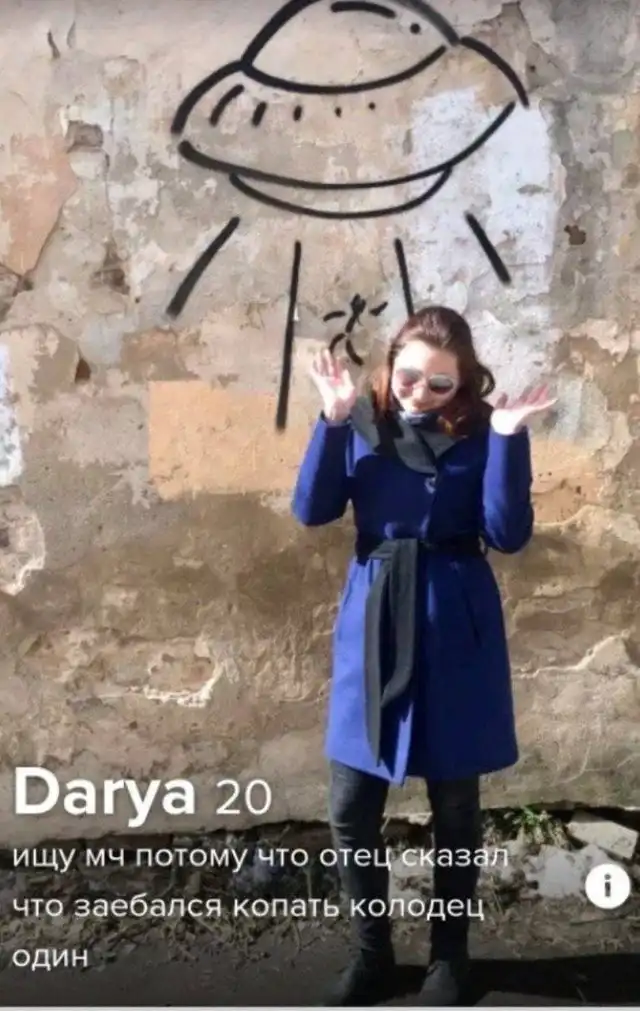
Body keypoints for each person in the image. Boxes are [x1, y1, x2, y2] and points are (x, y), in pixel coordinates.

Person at [291, 305, 557, 1007]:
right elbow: (312, 510)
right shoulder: (361, 423)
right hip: (373, 620)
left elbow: (507, 533)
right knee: (351, 804)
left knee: (456, 805)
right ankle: (372, 955)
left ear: (463, 383)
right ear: (390, 366)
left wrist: (508, 440)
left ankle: (450, 957)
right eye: (409, 377)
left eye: (441, 384)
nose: (421, 394)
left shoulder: (481, 433)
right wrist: (331, 420)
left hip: (454, 623)